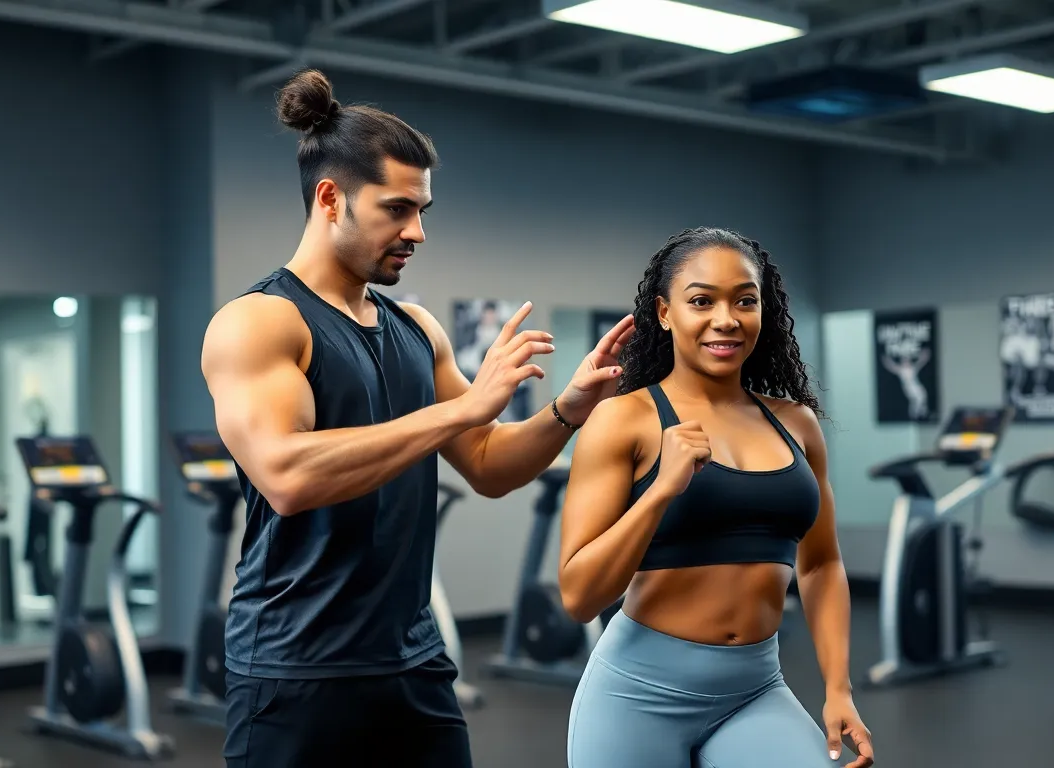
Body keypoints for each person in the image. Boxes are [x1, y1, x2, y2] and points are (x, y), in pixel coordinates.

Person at [200, 68, 635, 768]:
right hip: (294, 672)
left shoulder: (416, 328)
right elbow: (285, 474)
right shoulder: (259, 324)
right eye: (399, 209)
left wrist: (566, 410)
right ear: (331, 198)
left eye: (424, 209)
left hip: (413, 665)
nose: (419, 232)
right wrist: (462, 408)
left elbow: (490, 465)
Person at [558, 227, 874, 768]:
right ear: (664, 312)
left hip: (754, 689)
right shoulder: (625, 418)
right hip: (638, 694)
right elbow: (580, 597)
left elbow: (820, 565)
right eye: (702, 300)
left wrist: (838, 687)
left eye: (744, 301)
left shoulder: (796, 423)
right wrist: (661, 492)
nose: (726, 319)